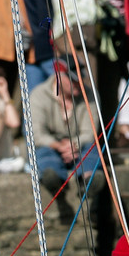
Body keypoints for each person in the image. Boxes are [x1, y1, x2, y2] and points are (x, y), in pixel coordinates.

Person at [52, 0, 121, 130]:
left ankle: (91, 141)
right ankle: (90, 144)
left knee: (83, 87)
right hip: (77, 32)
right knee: (87, 89)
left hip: (72, 32)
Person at [27, 58, 100, 192]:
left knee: (93, 148)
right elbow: (36, 134)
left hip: (79, 146)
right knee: (42, 153)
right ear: (59, 76)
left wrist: (73, 145)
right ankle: (54, 178)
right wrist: (59, 145)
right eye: (73, 80)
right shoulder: (38, 95)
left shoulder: (89, 95)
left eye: (80, 80)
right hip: (51, 146)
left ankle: (89, 179)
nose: (78, 84)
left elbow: (90, 132)